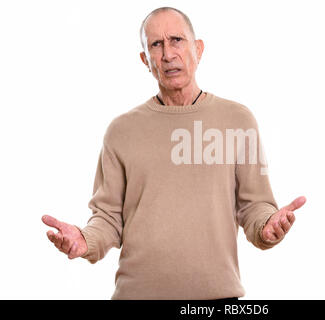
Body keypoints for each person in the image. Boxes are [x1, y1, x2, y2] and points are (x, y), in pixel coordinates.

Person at [42, 6, 306, 300]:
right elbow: (108, 218)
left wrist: (268, 227)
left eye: (177, 40)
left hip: (217, 299)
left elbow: (255, 206)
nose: (168, 54)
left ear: (198, 49)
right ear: (145, 60)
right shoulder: (121, 130)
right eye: (156, 44)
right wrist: (85, 240)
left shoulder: (237, 120)